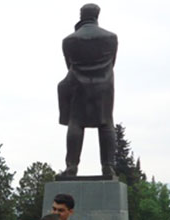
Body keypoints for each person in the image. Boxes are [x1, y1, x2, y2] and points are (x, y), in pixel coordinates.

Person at [57, 3, 118, 177]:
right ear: (97, 16)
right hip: (105, 85)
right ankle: (108, 166)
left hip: (78, 83)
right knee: (106, 123)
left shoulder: (69, 40)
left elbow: (70, 65)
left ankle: (71, 167)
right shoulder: (111, 38)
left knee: (75, 123)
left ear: (81, 15)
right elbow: (112, 62)